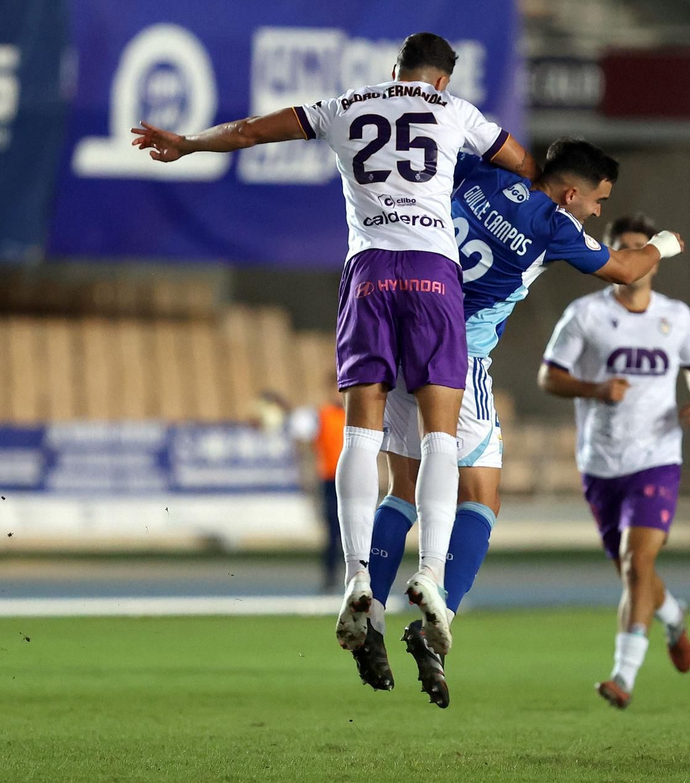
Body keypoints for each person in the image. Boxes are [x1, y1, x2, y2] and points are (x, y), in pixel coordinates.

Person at [132, 32, 538, 662]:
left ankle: (355, 578)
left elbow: (245, 131)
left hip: (370, 275)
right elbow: (523, 165)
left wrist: (186, 144)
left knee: (360, 438)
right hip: (434, 274)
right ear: (442, 81)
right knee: (439, 439)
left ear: (394, 70)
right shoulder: (457, 114)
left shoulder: (347, 105)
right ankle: (430, 575)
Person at [363, 143, 685, 707]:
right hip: (457, 357)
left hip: (400, 332)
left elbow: (444, 154)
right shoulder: (554, 225)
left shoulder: (478, 172)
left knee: (402, 490)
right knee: (483, 497)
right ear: (570, 193)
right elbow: (628, 267)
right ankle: (438, 612)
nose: (594, 214)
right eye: (596, 202)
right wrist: (664, 244)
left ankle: (367, 607)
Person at [538, 213, 690, 710]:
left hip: (657, 458)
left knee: (639, 564)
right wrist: (595, 388)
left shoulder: (675, 317)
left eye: (643, 248)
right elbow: (549, 377)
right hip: (600, 462)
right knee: (633, 573)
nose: (634, 258)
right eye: (624, 250)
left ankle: (624, 676)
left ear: (654, 259)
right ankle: (674, 615)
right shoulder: (585, 315)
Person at [288, 381, 346, 594]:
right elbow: (303, 439)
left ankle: (362, 578)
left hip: (353, 479)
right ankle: (330, 578)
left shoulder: (356, 414)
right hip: (330, 479)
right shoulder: (322, 415)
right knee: (332, 531)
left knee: (360, 531)